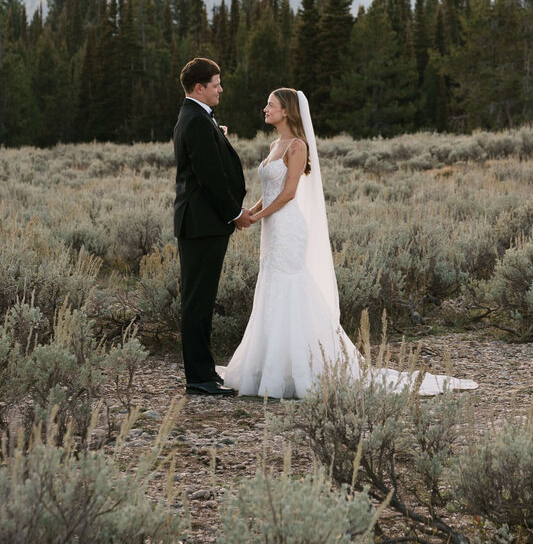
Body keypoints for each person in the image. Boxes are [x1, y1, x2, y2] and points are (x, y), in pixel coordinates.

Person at [219, 86, 476, 399]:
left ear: (286, 111)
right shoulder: (275, 144)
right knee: (272, 287)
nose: (265, 108)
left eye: (270, 104)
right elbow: (270, 192)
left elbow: (288, 194)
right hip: (272, 228)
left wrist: (257, 218)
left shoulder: (297, 146)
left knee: (291, 288)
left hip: (287, 227)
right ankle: (273, 366)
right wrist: (251, 211)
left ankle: (306, 366)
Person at [172, 57, 250, 396]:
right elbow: (210, 179)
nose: (221, 89)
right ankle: (199, 378)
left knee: (201, 299)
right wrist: (235, 213)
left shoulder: (197, 117)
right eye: (216, 84)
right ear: (199, 87)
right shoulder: (196, 121)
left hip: (203, 224)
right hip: (202, 224)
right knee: (197, 300)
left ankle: (203, 372)